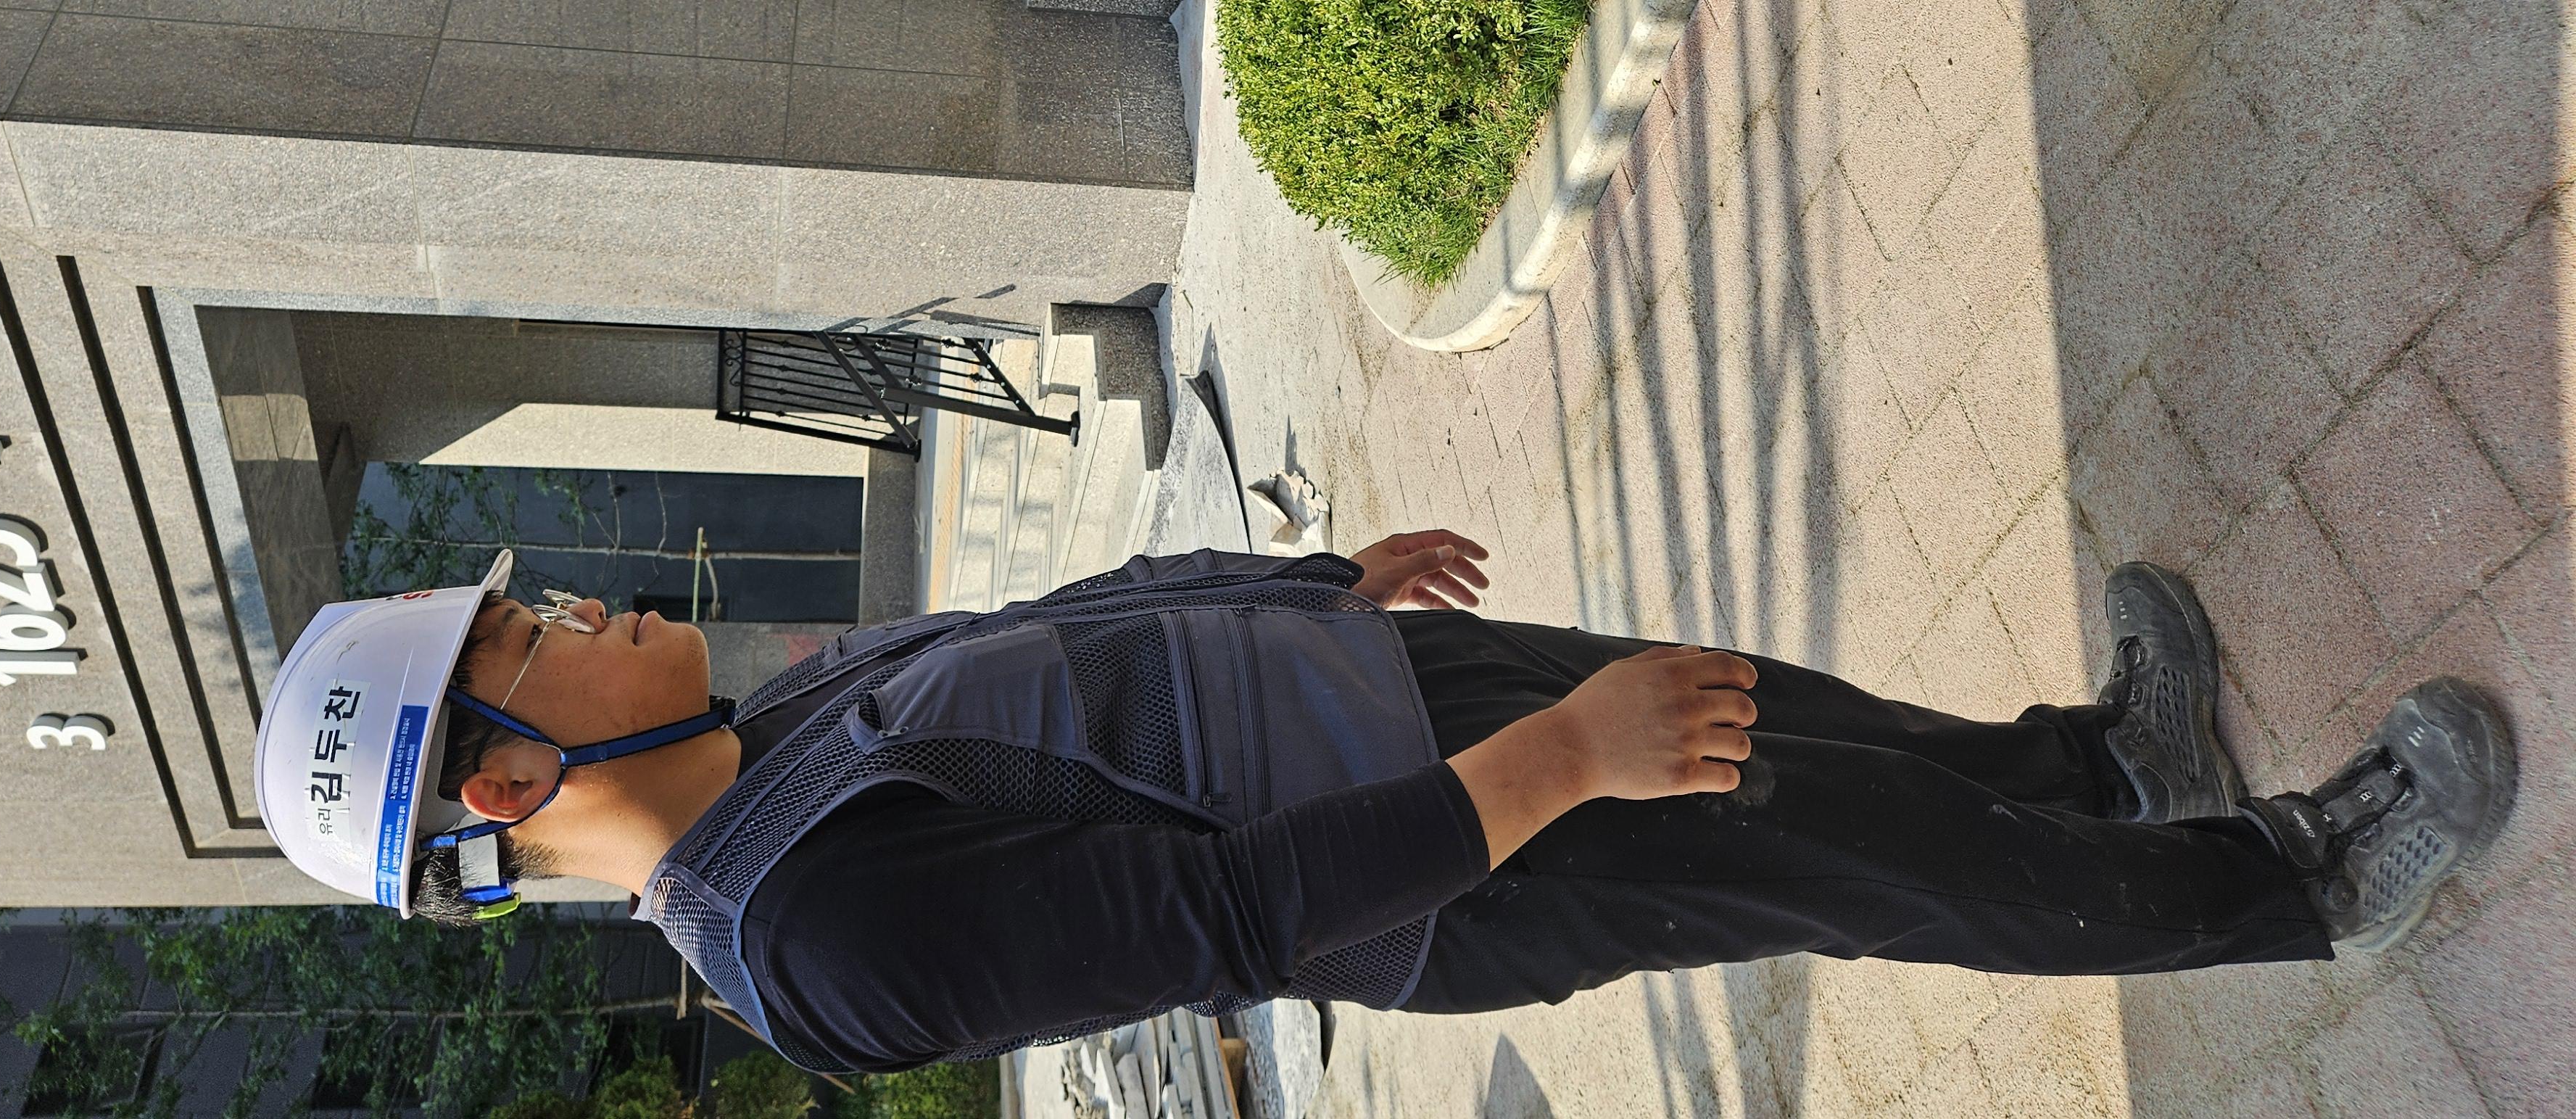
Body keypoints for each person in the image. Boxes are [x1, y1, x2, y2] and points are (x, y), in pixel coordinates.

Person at [254, 537, 2513, 1074]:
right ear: (508, 776)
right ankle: (2290, 888)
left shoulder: (777, 720)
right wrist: (1557, 765)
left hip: (1393, 697)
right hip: (1459, 846)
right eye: (532, 626)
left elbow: (1076, 623)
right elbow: (1231, 919)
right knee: (1848, 856)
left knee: (1793, 727)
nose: (578, 602)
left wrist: (1308, 585)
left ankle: (2095, 771)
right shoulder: (814, 945)